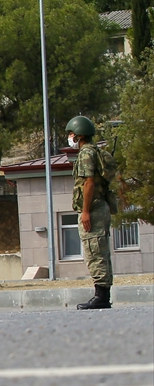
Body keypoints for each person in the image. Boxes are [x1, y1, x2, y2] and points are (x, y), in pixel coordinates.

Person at [68, 116, 117, 310]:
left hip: (94, 209)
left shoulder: (86, 154)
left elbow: (88, 183)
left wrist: (85, 211)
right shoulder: (94, 151)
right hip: (100, 206)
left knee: (94, 251)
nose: (70, 137)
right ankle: (103, 295)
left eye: (71, 134)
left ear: (79, 135)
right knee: (100, 251)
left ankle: (101, 297)